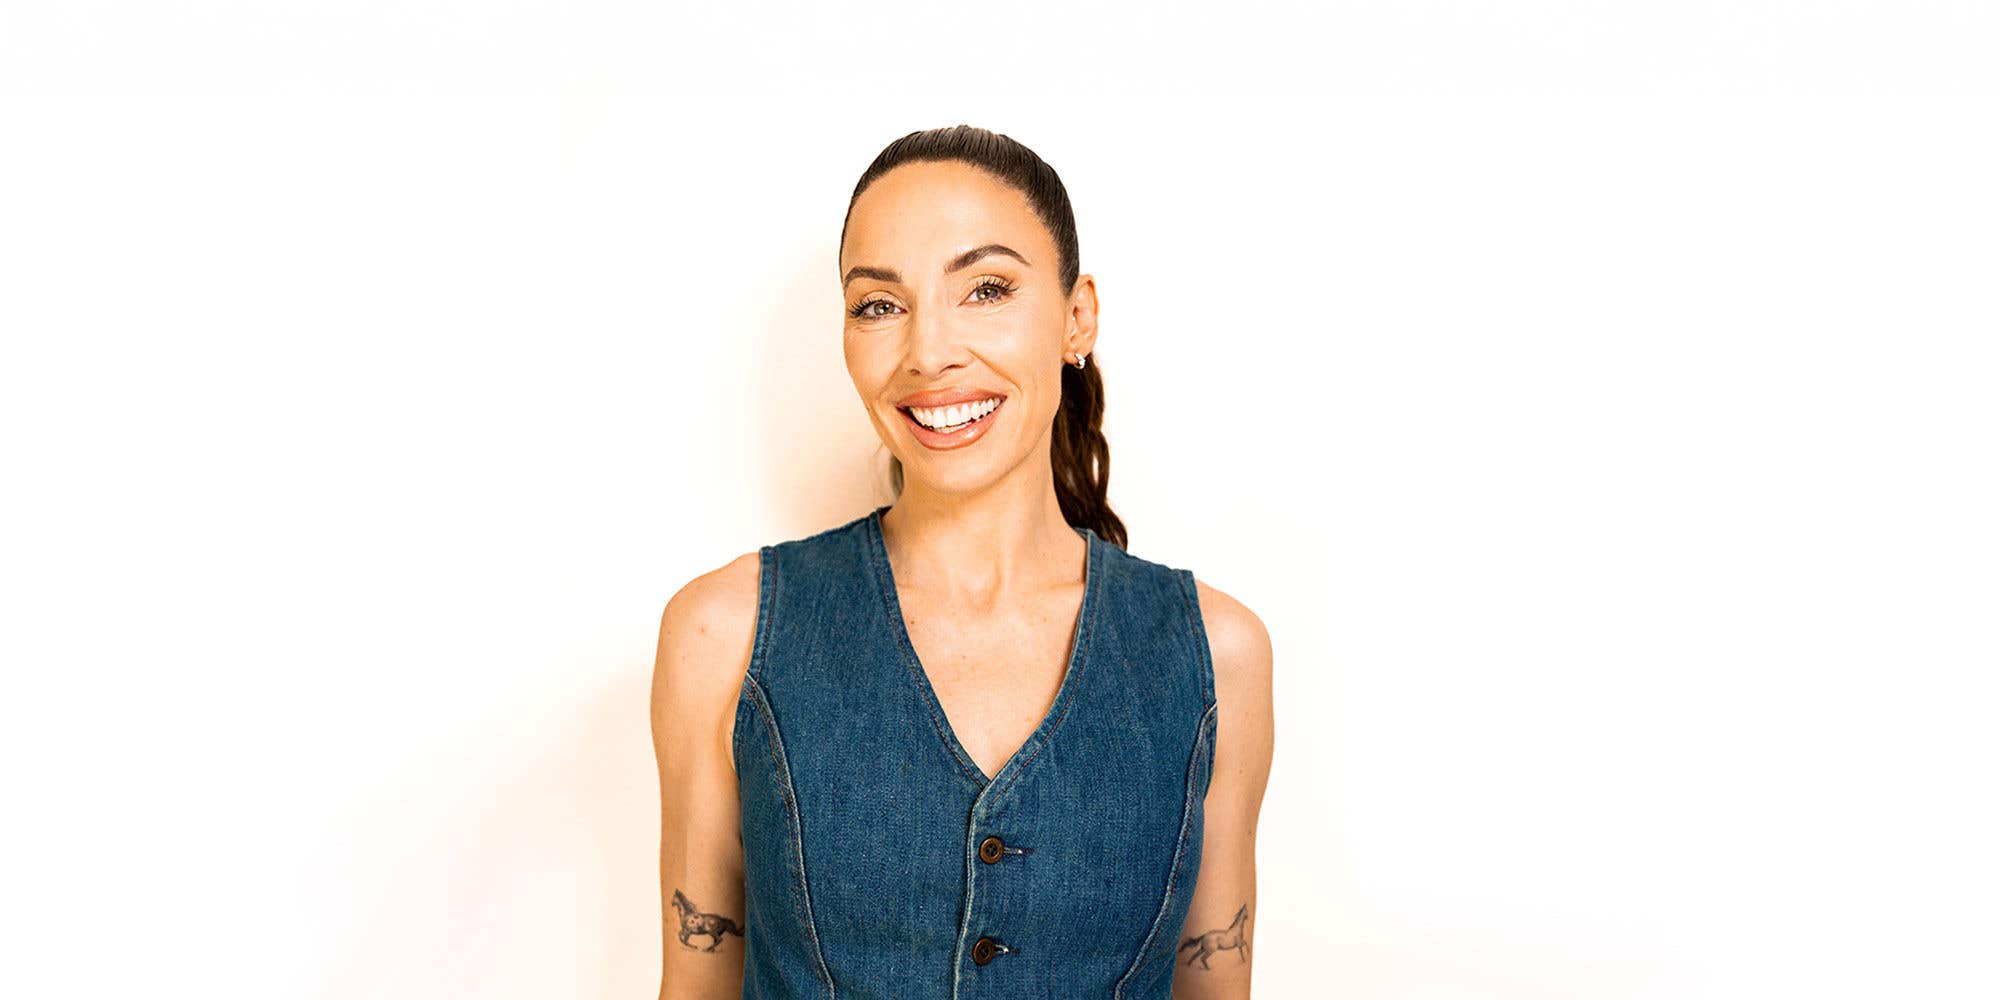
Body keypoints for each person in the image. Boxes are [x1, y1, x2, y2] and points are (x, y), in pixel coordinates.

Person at [652, 125, 1274, 999]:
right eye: (878, 304)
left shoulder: (1219, 654)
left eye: (986, 288)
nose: (929, 352)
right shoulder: (723, 631)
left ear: (1076, 315)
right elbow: (696, 981)